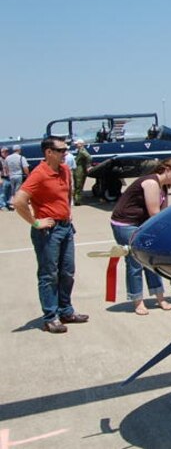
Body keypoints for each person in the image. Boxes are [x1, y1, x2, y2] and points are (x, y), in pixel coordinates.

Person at [13, 136, 89, 333]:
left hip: (65, 228)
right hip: (48, 232)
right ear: (49, 152)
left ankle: (65, 311)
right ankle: (50, 317)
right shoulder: (39, 174)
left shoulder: (64, 169)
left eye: (66, 149)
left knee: (67, 272)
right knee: (49, 275)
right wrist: (35, 221)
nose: (66, 153)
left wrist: (66, 213)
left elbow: (67, 193)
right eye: (61, 150)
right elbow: (18, 201)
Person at [110, 157, 171, 314]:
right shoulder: (151, 183)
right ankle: (137, 301)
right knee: (135, 261)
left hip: (142, 225)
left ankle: (159, 297)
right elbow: (154, 213)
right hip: (126, 225)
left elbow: (162, 212)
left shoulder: (163, 187)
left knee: (151, 260)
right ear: (166, 169)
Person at [72, 139, 91, 206]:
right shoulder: (79, 151)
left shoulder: (82, 151)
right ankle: (76, 200)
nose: (75, 145)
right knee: (77, 185)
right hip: (77, 169)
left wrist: (88, 166)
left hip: (80, 170)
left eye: (77, 144)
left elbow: (89, 157)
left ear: (81, 144)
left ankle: (77, 201)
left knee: (78, 185)